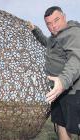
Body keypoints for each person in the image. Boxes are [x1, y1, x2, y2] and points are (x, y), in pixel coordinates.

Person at [27, 6, 80, 140]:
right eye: (49, 24)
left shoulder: (73, 33)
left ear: (64, 16)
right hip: (57, 91)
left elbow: (76, 59)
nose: (53, 26)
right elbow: (45, 41)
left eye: (56, 20)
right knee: (60, 125)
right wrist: (35, 30)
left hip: (73, 91)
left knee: (74, 128)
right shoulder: (53, 38)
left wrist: (63, 81)